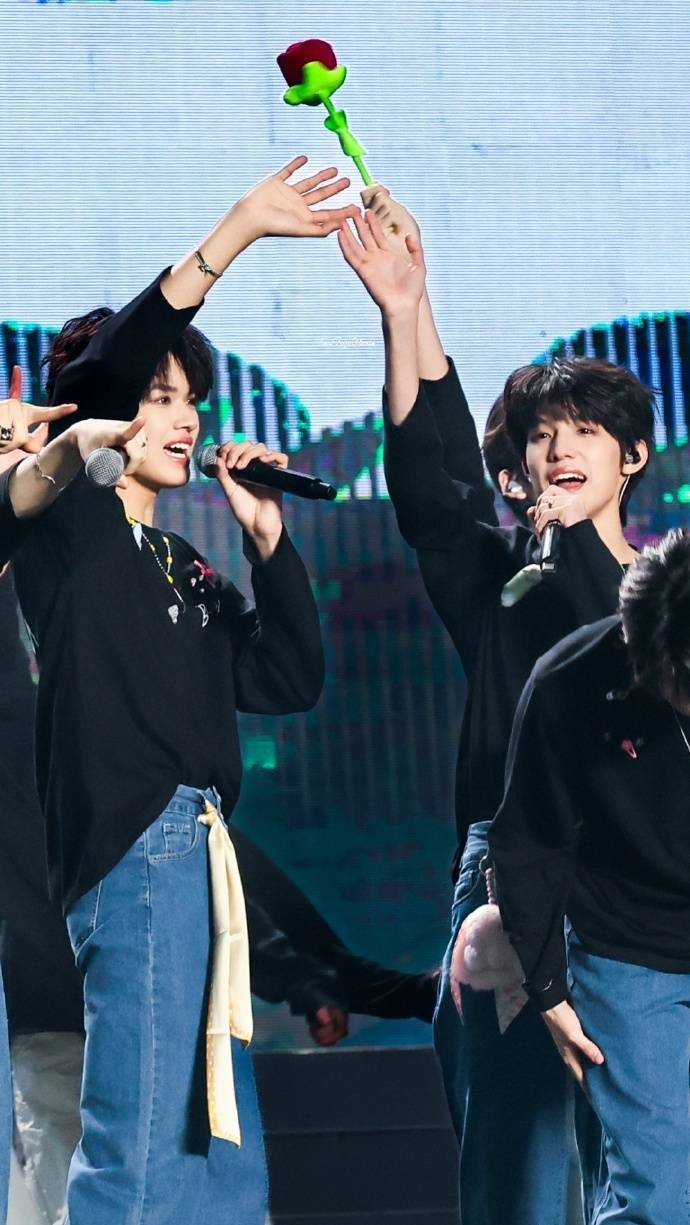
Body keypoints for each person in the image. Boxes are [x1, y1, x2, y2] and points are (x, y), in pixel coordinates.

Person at [0, 155, 357, 1225]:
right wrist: (237, 231)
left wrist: (269, 541)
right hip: (137, 845)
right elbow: (109, 367)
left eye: (193, 399)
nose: (186, 418)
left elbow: (286, 676)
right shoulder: (71, 529)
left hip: (203, 851)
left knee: (214, 1140)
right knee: (141, 1132)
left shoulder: (185, 564)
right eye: (162, 398)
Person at [337, 197, 654, 1224]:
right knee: (516, 1161)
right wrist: (405, 310)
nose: (560, 449)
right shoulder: (502, 576)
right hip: (510, 875)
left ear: (632, 456)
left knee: (643, 1167)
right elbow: (431, 488)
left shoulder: (667, 593)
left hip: (646, 883)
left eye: (585, 432)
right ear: (517, 473)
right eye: (540, 438)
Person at [489, 528, 690, 1225]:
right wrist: (548, 992)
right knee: (659, 1190)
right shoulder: (569, 679)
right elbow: (527, 842)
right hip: (629, 947)